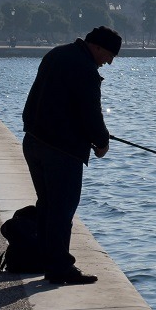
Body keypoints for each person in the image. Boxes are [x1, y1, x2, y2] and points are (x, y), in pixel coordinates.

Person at [21, 26, 121, 285]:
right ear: (96, 47)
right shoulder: (85, 70)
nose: (108, 62)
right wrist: (101, 142)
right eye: (109, 55)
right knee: (62, 210)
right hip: (61, 150)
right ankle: (59, 268)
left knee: (46, 204)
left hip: (33, 142)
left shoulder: (56, 54)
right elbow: (90, 113)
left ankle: (47, 259)